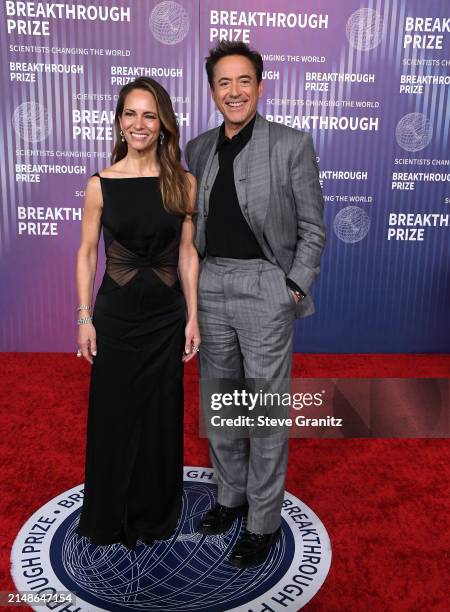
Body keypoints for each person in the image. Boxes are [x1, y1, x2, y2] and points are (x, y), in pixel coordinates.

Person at [185, 41, 325, 568]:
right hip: (211, 283)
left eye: (244, 81)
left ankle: (263, 520)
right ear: (212, 91)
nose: (234, 91)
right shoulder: (197, 149)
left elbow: (312, 228)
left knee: (264, 410)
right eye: (224, 82)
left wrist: (293, 286)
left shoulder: (291, 144)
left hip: (266, 285)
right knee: (221, 402)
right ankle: (229, 497)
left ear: (260, 86)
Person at [75, 77, 199, 549]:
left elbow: (188, 254)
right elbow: (87, 253)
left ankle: (153, 515)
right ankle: (108, 515)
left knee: (160, 415)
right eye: (131, 113)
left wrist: (193, 317)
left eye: (150, 115)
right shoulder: (100, 184)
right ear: (120, 122)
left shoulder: (183, 183)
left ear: (163, 123)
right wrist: (84, 316)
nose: (140, 123)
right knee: (113, 415)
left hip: (166, 318)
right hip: (116, 318)